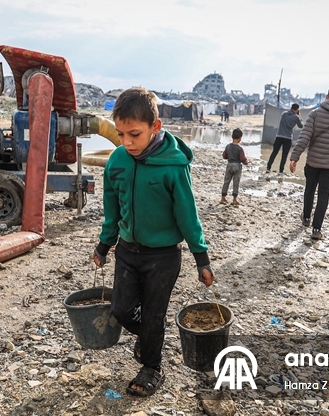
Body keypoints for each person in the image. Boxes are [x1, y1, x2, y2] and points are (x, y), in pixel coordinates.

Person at [92, 88, 215, 397]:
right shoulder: (117, 161)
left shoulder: (173, 165)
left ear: (155, 127)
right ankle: (148, 338)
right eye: (120, 134)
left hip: (163, 257)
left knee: (154, 315)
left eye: (134, 134)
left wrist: (202, 259)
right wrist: (103, 246)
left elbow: (188, 214)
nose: (127, 142)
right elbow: (112, 211)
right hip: (127, 252)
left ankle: (152, 367)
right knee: (120, 310)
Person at [288, 85, 329, 240]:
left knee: (310, 189)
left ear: (327, 96)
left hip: (313, 162)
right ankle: (316, 229)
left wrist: (294, 157)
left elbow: (304, 137)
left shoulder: (315, 114)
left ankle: (306, 218)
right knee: (324, 195)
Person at [266, 103, 303, 173]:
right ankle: (281, 170)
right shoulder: (296, 117)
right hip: (288, 138)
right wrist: (299, 116)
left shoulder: (284, 114)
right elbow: (301, 126)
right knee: (284, 155)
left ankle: (268, 167)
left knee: (274, 152)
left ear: (291, 108)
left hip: (279, 136)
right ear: (297, 109)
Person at [220, 128, 249, 206]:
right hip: (237, 166)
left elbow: (224, 156)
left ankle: (223, 198)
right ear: (240, 138)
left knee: (226, 181)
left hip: (229, 165)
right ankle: (234, 199)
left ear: (232, 136)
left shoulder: (228, 146)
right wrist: (246, 162)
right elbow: (242, 159)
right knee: (236, 182)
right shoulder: (240, 149)